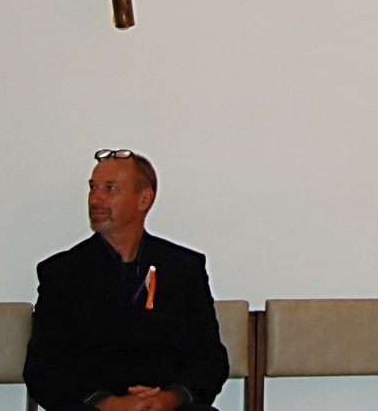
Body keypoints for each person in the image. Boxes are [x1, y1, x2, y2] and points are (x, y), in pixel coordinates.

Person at [23, 149, 229, 411]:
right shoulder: (62, 273)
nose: (95, 199)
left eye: (110, 189)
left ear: (144, 199)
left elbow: (209, 358)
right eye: (93, 188)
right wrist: (107, 403)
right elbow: (43, 367)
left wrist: (171, 398)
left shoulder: (183, 268)